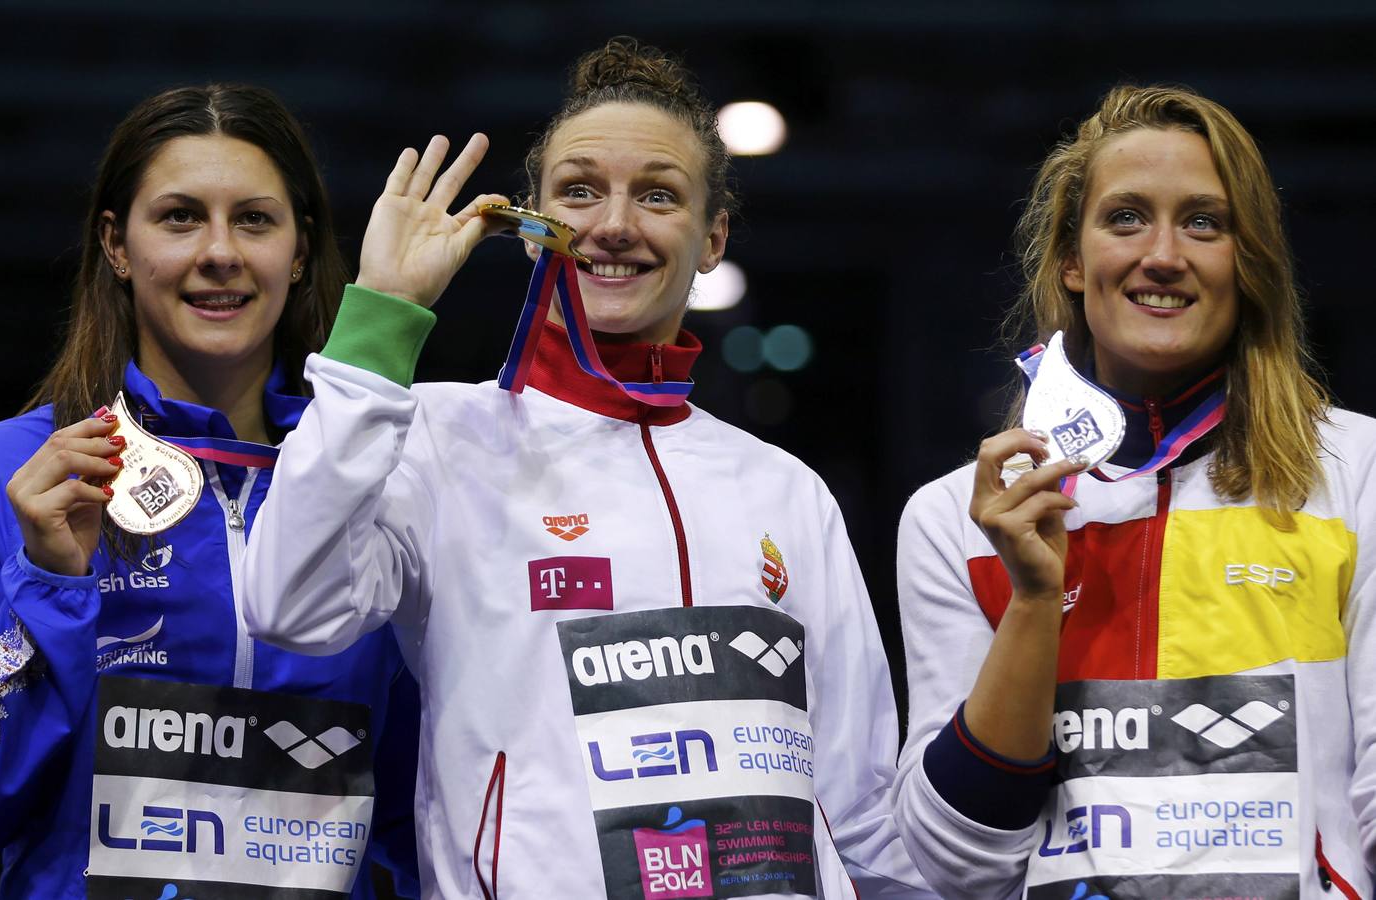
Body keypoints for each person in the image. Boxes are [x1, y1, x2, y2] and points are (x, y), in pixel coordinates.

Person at [241, 37, 933, 899]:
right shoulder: (438, 438)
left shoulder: (783, 488)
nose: (612, 225)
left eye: (656, 195)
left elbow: (859, 806)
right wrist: (381, 319)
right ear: (531, 231)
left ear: (712, 236)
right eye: (578, 192)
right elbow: (287, 604)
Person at [892, 84, 1375, 899]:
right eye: (1124, 218)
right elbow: (959, 860)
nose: (1162, 254)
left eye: (1203, 222)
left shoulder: (1354, 469)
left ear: (1245, 259)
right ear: (1070, 262)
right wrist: (1033, 603)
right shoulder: (959, 519)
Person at [0, 84, 420, 898]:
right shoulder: (0, 476)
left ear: (302, 250)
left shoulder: (383, 481)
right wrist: (50, 590)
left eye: (254, 219)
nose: (220, 252)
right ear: (116, 244)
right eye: (179, 217)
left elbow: (433, 811)